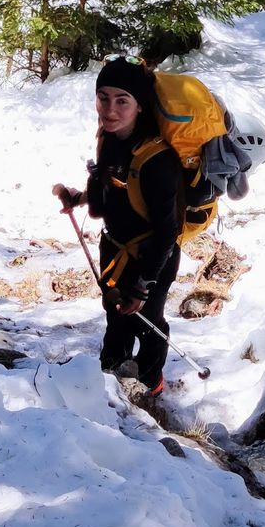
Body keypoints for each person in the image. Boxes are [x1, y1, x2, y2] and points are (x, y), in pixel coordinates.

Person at [52, 58, 183, 396]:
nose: (110, 109)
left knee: (147, 318)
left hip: (153, 256)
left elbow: (168, 231)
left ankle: (150, 382)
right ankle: (110, 374)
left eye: (122, 100)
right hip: (115, 249)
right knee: (116, 313)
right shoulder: (108, 139)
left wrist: (142, 285)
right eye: (103, 97)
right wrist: (78, 197)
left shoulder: (158, 160)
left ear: (140, 106)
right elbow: (109, 189)